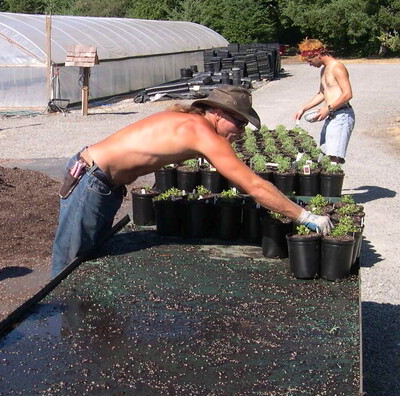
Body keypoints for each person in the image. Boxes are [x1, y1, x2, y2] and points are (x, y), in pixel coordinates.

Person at [50, 85, 333, 277]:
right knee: (68, 266)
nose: (242, 131)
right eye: (240, 123)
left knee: (87, 258)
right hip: (91, 178)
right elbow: (255, 186)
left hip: (101, 183)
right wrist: (304, 215)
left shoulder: (191, 123)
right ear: (219, 113)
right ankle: (58, 332)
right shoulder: (201, 132)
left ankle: (83, 325)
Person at [293, 38, 355, 164]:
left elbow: (347, 94)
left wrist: (328, 108)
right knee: (324, 154)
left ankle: (332, 181)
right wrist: (303, 108)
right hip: (332, 115)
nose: (310, 64)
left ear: (317, 55)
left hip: (342, 115)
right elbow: (322, 93)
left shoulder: (337, 67)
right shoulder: (324, 70)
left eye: (310, 60)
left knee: (333, 157)